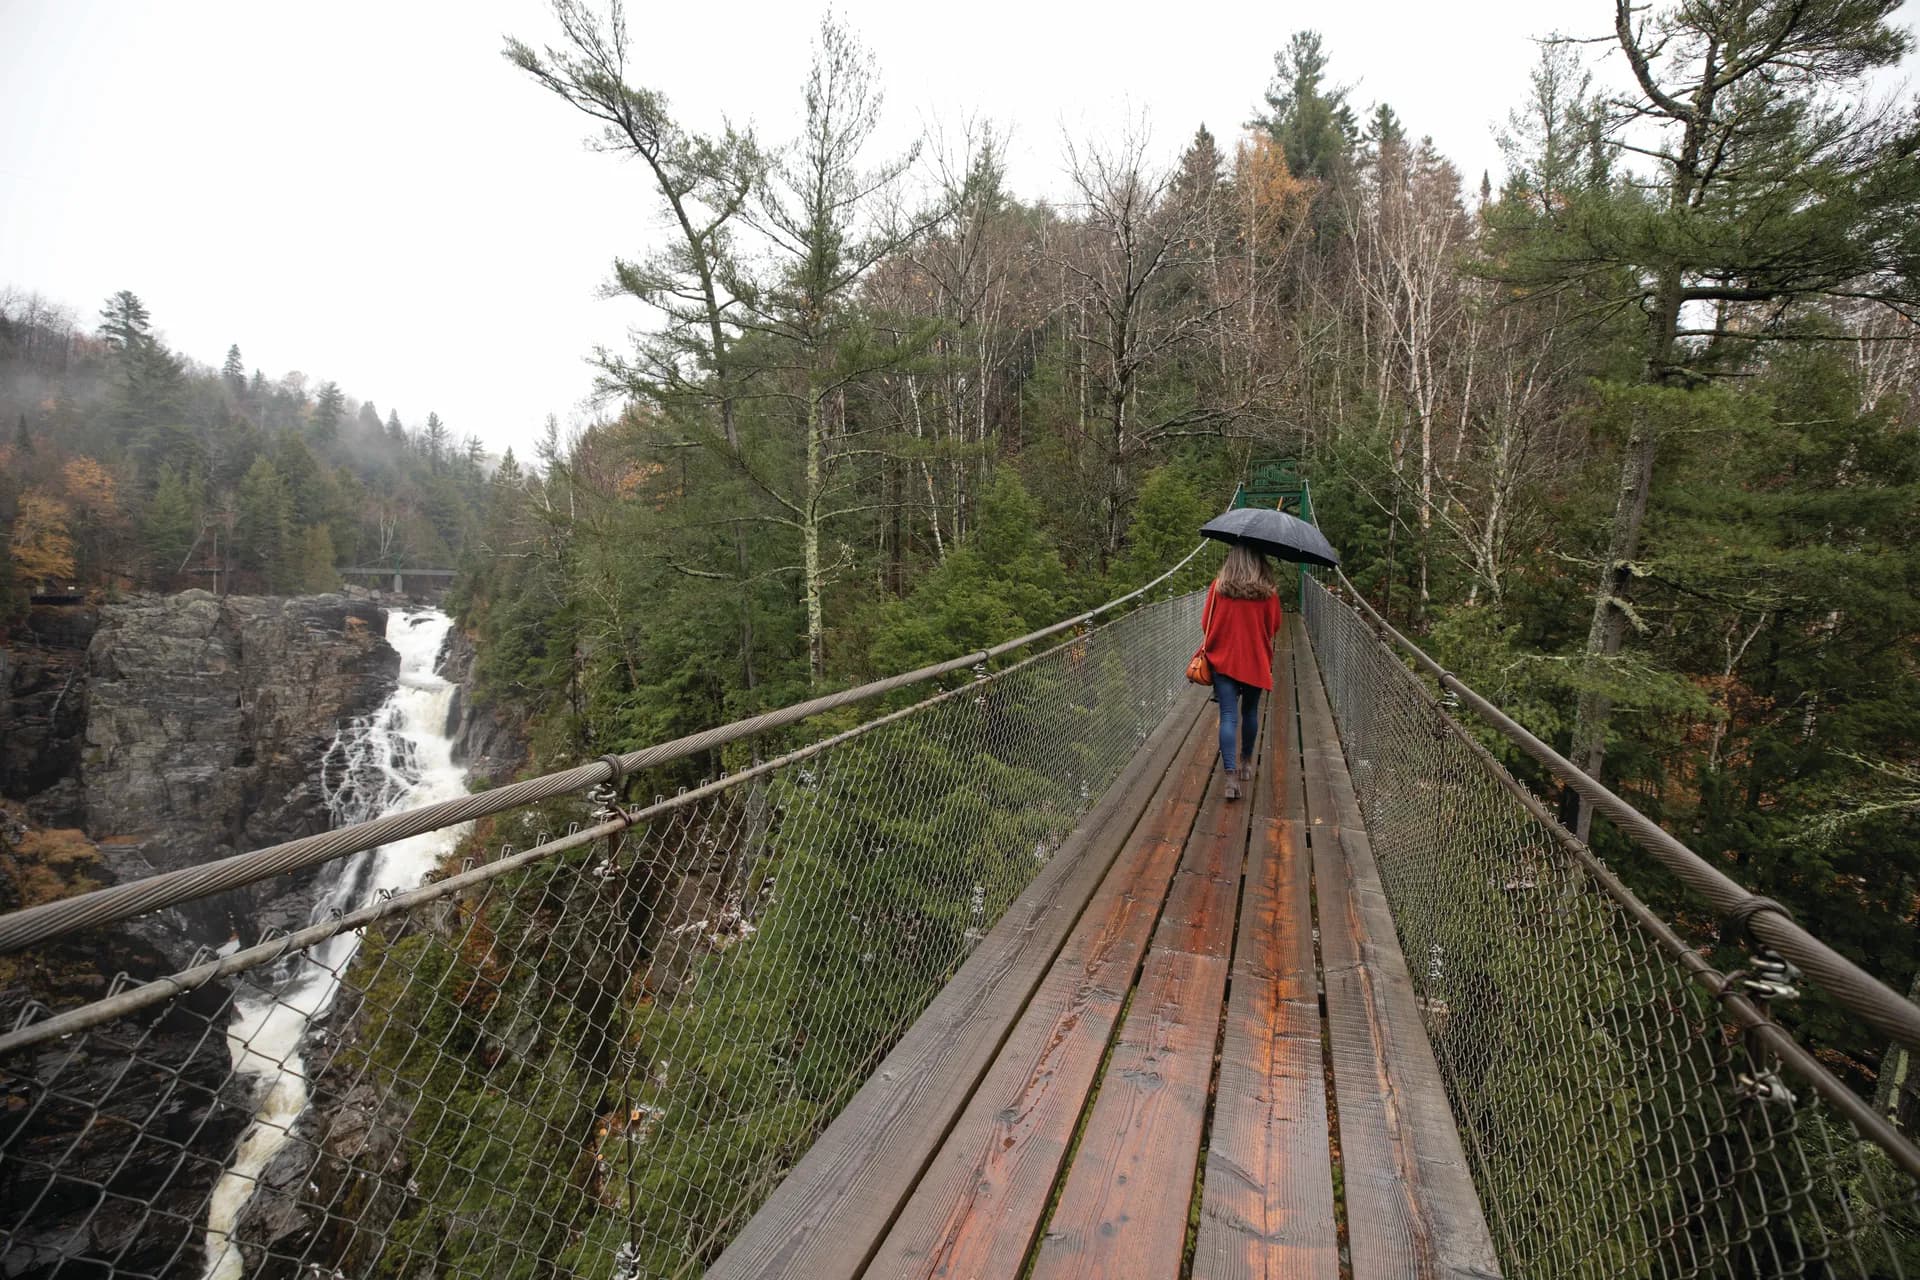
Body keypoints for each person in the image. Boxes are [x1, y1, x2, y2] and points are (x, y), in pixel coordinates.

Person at [1200, 543, 1283, 801]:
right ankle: (1246, 763)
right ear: (1259, 560)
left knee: (1227, 715)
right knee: (1249, 711)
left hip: (1223, 660)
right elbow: (1274, 627)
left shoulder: (1218, 588)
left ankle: (1230, 778)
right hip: (1255, 663)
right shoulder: (1268, 593)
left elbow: (1206, 624)